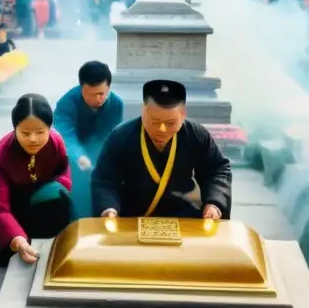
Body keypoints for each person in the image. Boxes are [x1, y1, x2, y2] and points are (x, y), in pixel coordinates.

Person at [92, 80, 232, 220]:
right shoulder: (121, 136)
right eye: (155, 121)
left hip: (183, 216)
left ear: (183, 114)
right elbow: (105, 178)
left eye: (170, 123)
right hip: (132, 217)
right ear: (144, 111)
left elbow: (217, 170)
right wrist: (109, 208)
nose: (162, 129)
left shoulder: (196, 135)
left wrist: (214, 203)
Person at [0, 94, 72, 267]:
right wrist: (17, 240)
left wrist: (51, 190)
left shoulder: (56, 143)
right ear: (15, 128)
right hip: (16, 211)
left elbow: (63, 175)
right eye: (25, 132)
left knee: (59, 198)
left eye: (40, 132)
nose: (33, 139)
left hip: (47, 204)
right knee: (12, 253)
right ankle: (15, 243)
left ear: (49, 128)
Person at [54, 61, 125, 219]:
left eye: (102, 93)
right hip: (71, 155)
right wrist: (78, 155)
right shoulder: (67, 102)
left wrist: (101, 158)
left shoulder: (116, 104)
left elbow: (110, 136)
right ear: (81, 88)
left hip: (100, 154)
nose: (98, 98)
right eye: (91, 94)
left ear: (109, 87)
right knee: (78, 188)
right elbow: (64, 134)